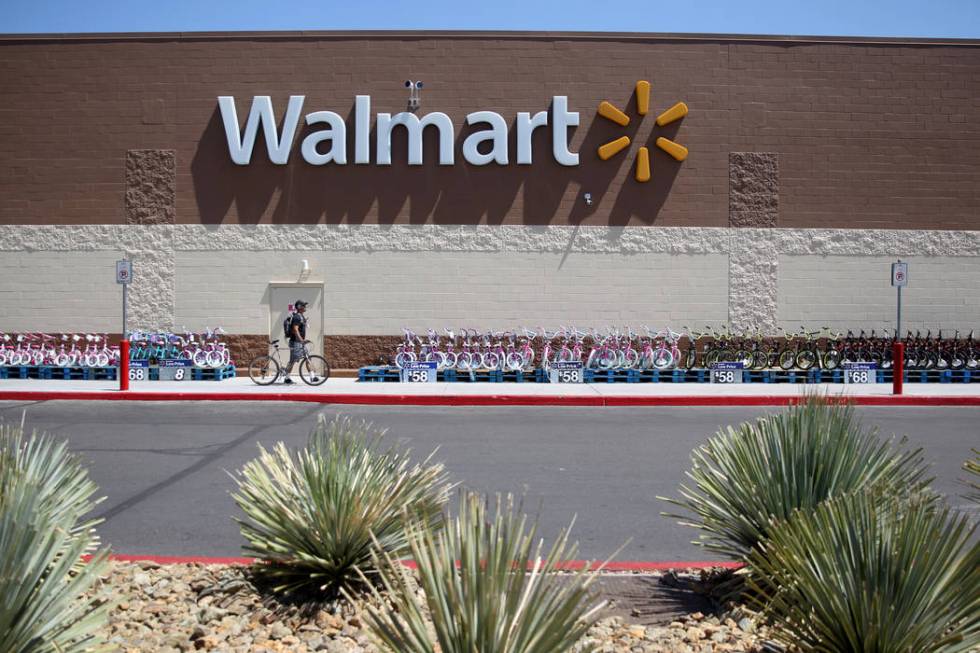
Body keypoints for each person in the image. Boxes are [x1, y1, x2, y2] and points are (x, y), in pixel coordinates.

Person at [283, 300, 308, 384]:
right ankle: (287, 378)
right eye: (304, 306)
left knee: (307, 358)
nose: (305, 307)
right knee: (293, 360)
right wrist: (301, 340)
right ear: (300, 307)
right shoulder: (297, 317)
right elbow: (295, 329)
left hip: (300, 342)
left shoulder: (301, 316)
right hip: (295, 342)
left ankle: (312, 377)